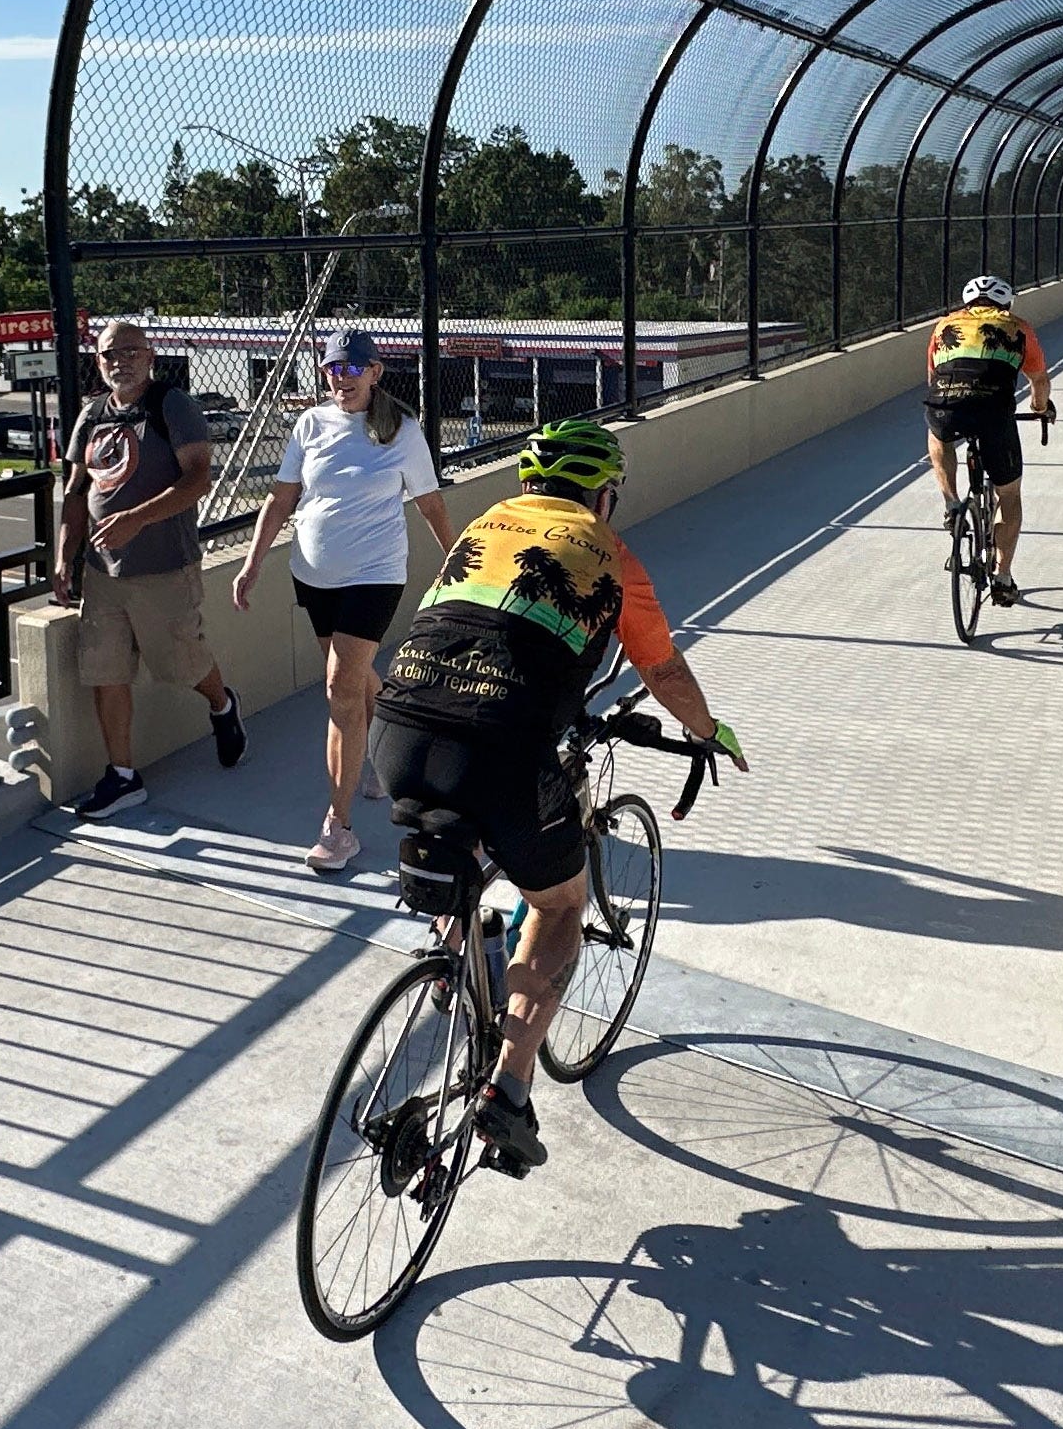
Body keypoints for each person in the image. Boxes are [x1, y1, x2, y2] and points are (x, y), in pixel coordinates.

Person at [369, 419, 744, 1177]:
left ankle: (461, 952)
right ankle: (508, 1089)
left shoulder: (483, 526)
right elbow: (664, 673)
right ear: (602, 496)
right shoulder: (611, 556)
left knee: (465, 832)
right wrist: (710, 733)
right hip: (503, 748)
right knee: (559, 903)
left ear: (529, 486)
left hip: (396, 727)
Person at [232, 331, 455, 875]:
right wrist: (253, 562)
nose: (342, 377)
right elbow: (281, 499)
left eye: (354, 367)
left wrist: (456, 563)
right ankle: (384, 752)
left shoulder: (402, 430)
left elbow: (429, 503)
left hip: (375, 575)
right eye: (334, 368)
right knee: (353, 679)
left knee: (340, 687)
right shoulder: (309, 424)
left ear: (375, 372)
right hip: (314, 577)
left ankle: (339, 827)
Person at [53, 319, 247, 816]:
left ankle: (223, 704)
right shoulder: (92, 413)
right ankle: (122, 777)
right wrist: (64, 555)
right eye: (109, 354)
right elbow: (76, 490)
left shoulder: (171, 405)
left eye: (130, 351)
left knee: (182, 664)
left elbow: (198, 479)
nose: (120, 362)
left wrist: (136, 519)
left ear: (150, 356)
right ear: (98, 362)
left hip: (164, 567)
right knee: (106, 671)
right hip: (102, 572)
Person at [924, 275, 1053, 607]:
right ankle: (1003, 578)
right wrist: (1040, 408)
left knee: (937, 433)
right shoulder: (1018, 327)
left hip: (947, 405)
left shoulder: (944, 326)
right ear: (1006, 303)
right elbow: (1039, 380)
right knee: (1008, 494)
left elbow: (933, 377)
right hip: (993, 413)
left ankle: (952, 503)